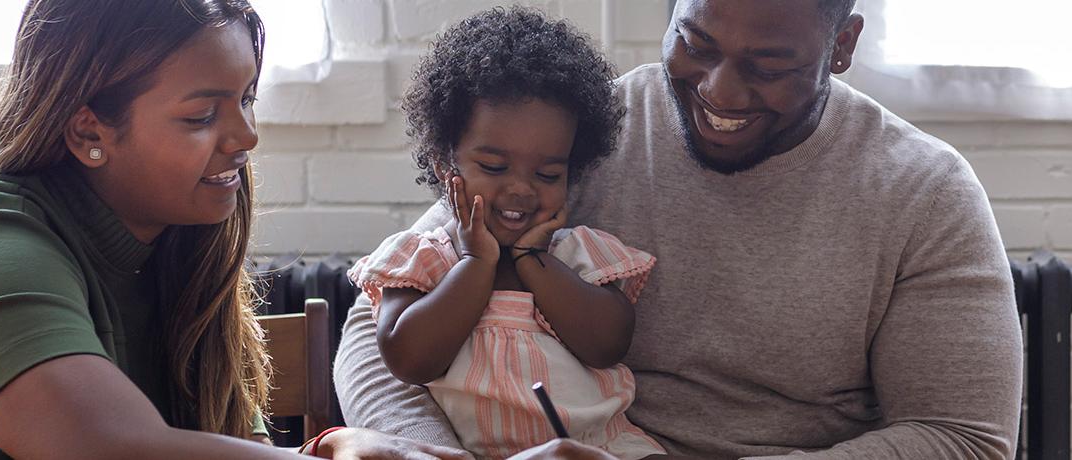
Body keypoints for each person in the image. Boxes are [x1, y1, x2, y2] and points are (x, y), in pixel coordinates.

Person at [333, 0, 1025, 458]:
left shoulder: (923, 191)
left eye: (768, 66)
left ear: (842, 45)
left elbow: (962, 437)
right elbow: (375, 327)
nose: (720, 92)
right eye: (695, 43)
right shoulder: (584, 132)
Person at [0, 0, 464, 458]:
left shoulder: (177, 245)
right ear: (88, 130)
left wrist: (326, 445)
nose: (246, 135)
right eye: (202, 115)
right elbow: (110, 449)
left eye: (247, 97)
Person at [346, 8, 661, 459]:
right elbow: (408, 361)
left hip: (600, 449)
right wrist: (477, 264)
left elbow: (608, 345)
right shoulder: (425, 262)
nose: (521, 189)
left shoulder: (580, 255)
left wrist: (535, 263)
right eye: (494, 167)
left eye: (549, 174)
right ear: (444, 164)